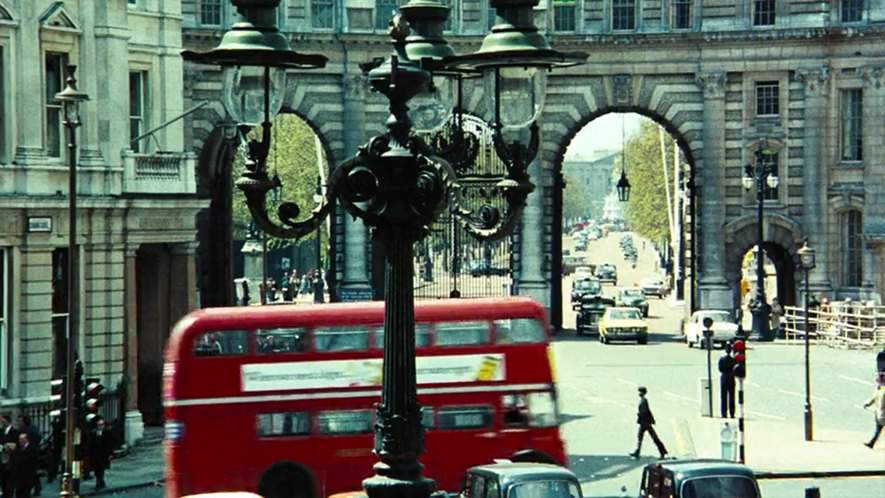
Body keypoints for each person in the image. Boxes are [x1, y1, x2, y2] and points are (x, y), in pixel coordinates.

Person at [629, 387, 668, 460]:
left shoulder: (644, 401)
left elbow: (645, 412)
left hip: (645, 423)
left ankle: (662, 452)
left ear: (643, 393)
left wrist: (640, 415)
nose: (639, 393)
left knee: (652, 437)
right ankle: (638, 452)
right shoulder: (642, 400)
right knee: (641, 437)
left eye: (640, 392)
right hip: (644, 422)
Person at [84, 417, 115, 490]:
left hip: (104, 454)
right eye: (99, 425)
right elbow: (90, 444)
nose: (101, 426)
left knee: (101, 469)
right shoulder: (93, 433)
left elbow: (110, 444)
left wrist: (110, 454)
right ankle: (100, 482)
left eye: (102, 425)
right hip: (95, 454)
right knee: (97, 469)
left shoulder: (107, 433)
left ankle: (99, 482)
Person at [11, 432, 38, 498]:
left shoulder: (32, 448)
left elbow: (29, 460)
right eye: (19, 439)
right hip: (18, 475)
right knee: (18, 493)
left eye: (22, 439)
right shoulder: (18, 447)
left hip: (28, 476)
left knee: (26, 494)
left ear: (26, 439)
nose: (20, 441)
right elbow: (13, 457)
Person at [1, 414, 20, 498]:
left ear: (8, 421)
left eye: (3, 421)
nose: (2, 423)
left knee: (10, 482)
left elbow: (16, 445)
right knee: (3, 481)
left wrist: (9, 446)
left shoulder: (15, 432)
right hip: (2, 459)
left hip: (11, 460)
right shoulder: (1, 431)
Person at [863, 377, 885, 449]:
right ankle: (871, 443)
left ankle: (871, 443)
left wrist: (867, 404)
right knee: (878, 429)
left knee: (878, 429)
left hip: (879, 414)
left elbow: (873, 399)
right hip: (881, 414)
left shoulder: (879, 391)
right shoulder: (880, 391)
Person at [718, 343, 736, 418]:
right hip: (731, 378)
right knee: (732, 397)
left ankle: (724, 413)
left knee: (723, 397)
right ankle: (732, 413)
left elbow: (720, 369)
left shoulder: (722, 359)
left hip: (724, 378)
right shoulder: (733, 360)